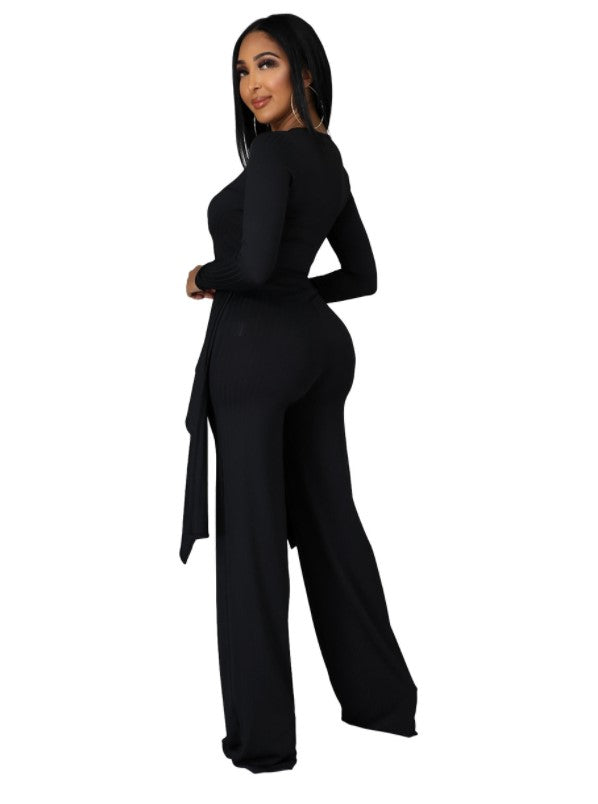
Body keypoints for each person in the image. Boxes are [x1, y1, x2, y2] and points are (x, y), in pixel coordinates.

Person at [181, 13, 418, 774]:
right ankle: (383, 705)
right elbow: (362, 277)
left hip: (255, 355)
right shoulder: (330, 160)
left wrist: (202, 277)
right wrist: (298, 294)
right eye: (241, 71)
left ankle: (264, 742)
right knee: (330, 522)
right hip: (320, 350)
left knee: (252, 544)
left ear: (304, 72)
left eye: (267, 64)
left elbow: (250, 270)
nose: (251, 84)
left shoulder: (275, 156)